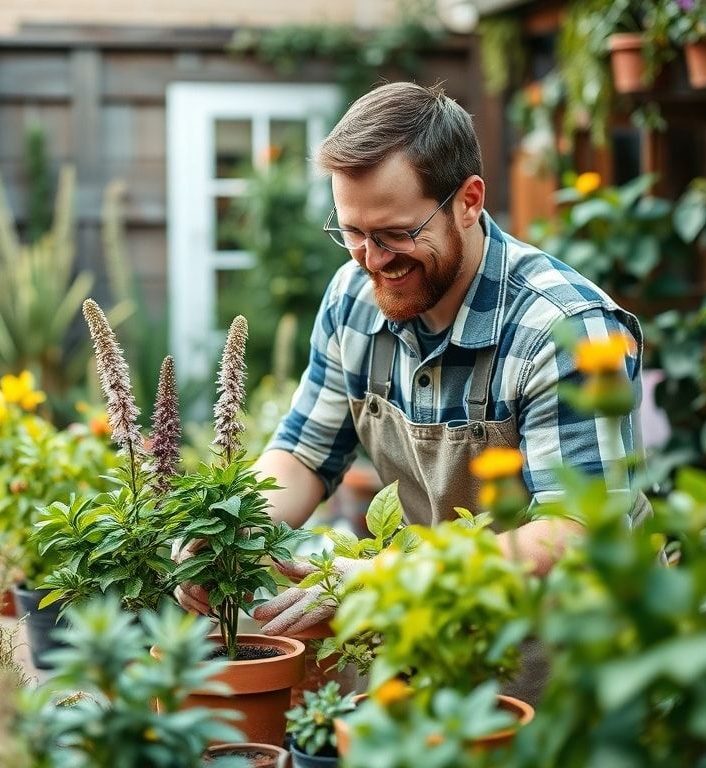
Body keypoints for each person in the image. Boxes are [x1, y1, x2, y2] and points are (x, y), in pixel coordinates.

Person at [175, 82, 645, 701]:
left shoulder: (565, 329)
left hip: (558, 673)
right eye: (352, 233)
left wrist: (390, 579)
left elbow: (578, 535)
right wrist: (227, 537)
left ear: (469, 201)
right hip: (426, 644)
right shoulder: (351, 300)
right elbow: (303, 453)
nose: (372, 260)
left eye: (395, 233)